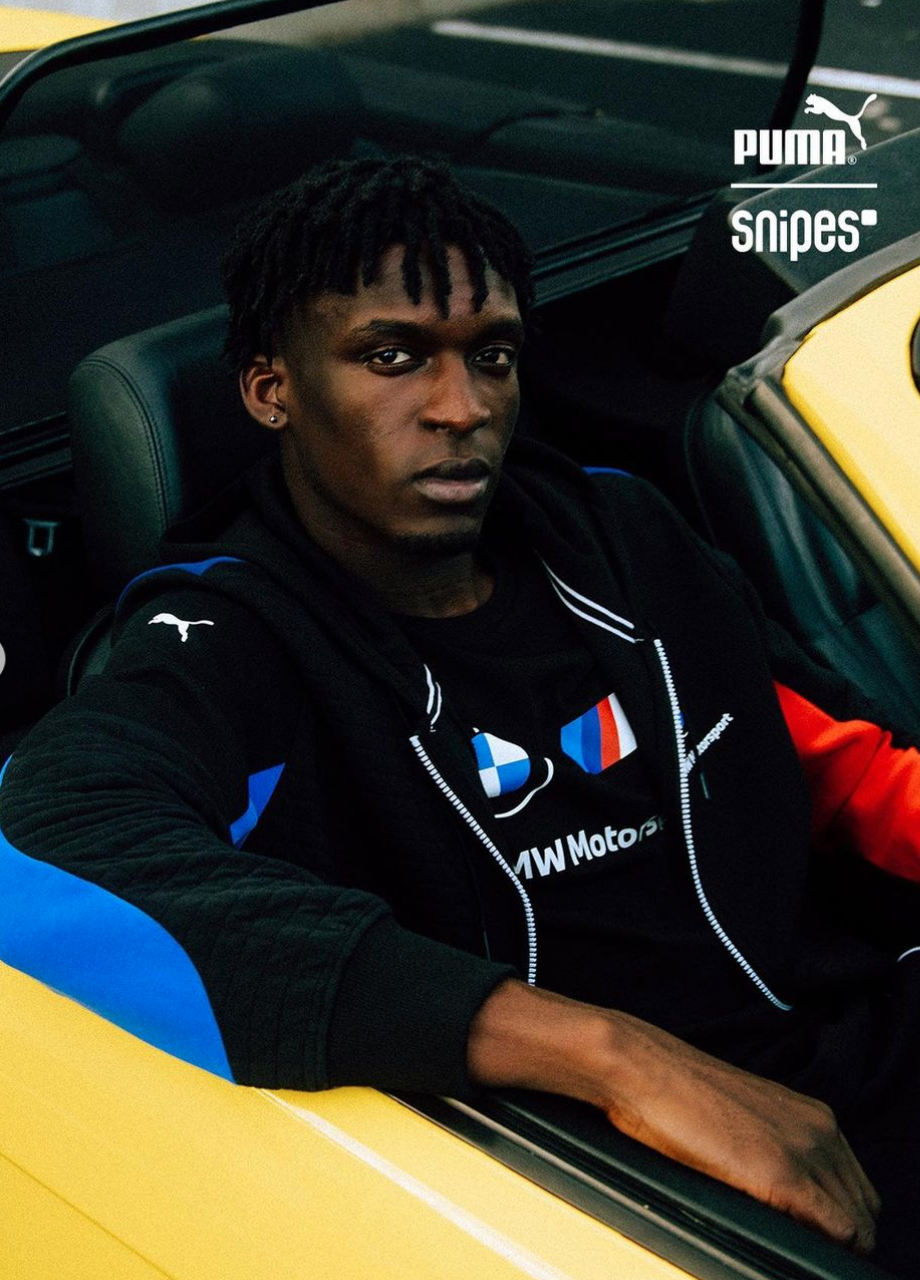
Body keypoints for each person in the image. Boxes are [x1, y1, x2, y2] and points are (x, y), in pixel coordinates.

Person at [2, 155, 920, 1269]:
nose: (463, 406)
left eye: (492, 355)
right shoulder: (230, 639)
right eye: (392, 357)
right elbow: (39, 841)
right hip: (606, 1185)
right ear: (269, 389)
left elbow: (845, 759)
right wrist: (614, 1057)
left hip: (850, 1051)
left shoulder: (620, 536)